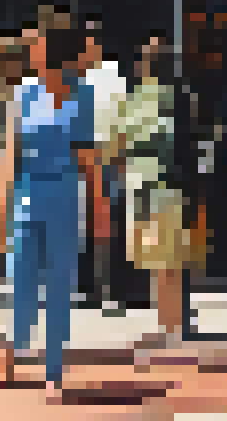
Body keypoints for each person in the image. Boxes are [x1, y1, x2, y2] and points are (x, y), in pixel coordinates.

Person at [0, 25, 111, 401]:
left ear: (55, 56)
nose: (32, 53)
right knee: (22, 278)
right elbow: (11, 153)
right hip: (28, 192)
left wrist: (99, 208)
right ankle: (14, 343)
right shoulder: (24, 93)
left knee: (60, 283)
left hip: (65, 195)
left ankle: (53, 372)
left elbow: (89, 157)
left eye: (39, 48)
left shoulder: (83, 95)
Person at [106, 35, 197, 347]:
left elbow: (115, 148)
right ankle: (174, 325)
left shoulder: (133, 101)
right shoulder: (180, 97)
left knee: (158, 264)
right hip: (168, 187)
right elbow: (188, 146)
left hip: (141, 187)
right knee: (171, 262)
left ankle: (168, 325)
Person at [79, 22, 134, 317]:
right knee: (87, 227)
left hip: (108, 158)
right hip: (84, 159)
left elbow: (122, 120)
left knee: (112, 227)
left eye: (89, 43)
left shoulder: (112, 76)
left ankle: (116, 293)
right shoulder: (77, 76)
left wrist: (118, 157)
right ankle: (89, 290)